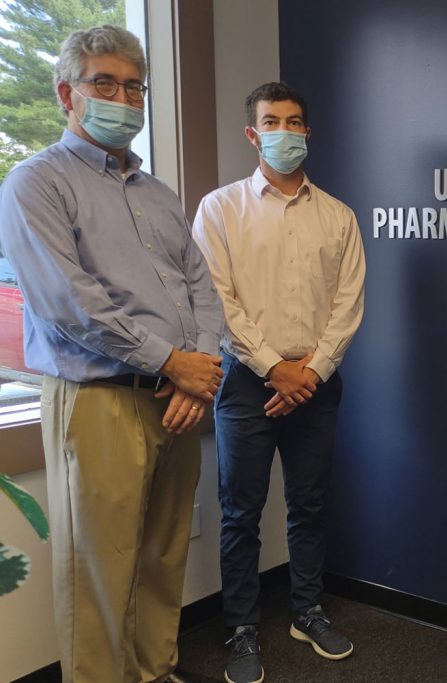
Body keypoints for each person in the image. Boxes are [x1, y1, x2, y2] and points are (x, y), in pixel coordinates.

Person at [0, 25, 224, 683]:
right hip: (99, 401)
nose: (122, 98)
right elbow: (71, 304)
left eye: (133, 87)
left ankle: (156, 671)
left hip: (176, 400)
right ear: (67, 92)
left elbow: (200, 289)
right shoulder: (35, 184)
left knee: (161, 558)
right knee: (97, 565)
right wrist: (172, 361)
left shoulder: (159, 195)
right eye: (105, 83)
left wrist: (199, 370)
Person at [191, 82, 366, 683]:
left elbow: (348, 305)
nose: (284, 132)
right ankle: (241, 626)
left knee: (309, 505)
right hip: (245, 384)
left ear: (307, 132)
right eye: (272, 121)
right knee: (240, 511)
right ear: (253, 132)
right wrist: (274, 368)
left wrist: (310, 373)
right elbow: (220, 302)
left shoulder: (338, 215)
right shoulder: (220, 209)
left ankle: (306, 611)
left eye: (294, 122)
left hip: (317, 385)